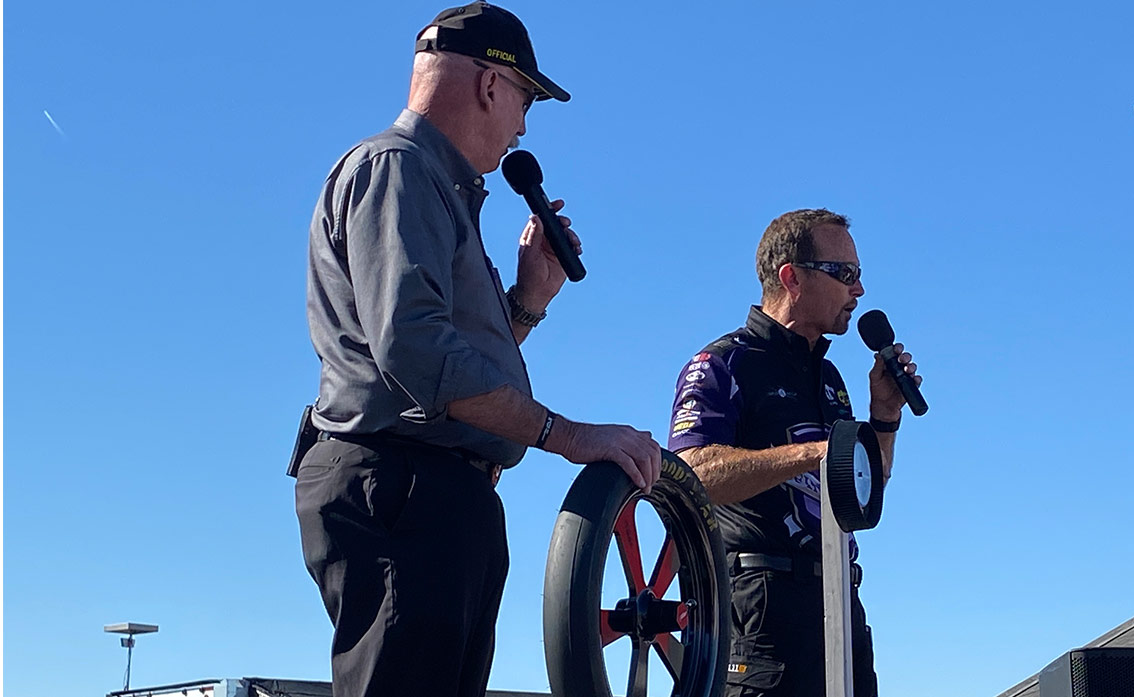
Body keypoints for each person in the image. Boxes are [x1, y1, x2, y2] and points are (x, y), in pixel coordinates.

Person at [293, 4, 660, 696]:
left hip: (437, 494)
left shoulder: (435, 190)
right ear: (493, 84)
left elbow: (436, 361)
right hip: (404, 486)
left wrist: (527, 302)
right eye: (526, 99)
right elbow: (418, 354)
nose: (523, 123)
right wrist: (571, 436)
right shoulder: (396, 169)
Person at [667, 208, 922, 697]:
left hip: (840, 606)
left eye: (859, 276)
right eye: (845, 274)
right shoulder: (722, 364)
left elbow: (863, 490)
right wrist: (814, 453)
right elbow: (692, 472)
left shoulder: (830, 379)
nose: (859, 291)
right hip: (760, 608)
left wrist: (884, 417)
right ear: (792, 278)